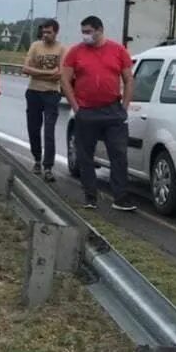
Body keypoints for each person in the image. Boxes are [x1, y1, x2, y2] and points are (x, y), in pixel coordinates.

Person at [61, 15, 136, 212]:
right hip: (87, 111)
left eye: (88, 32)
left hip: (112, 110)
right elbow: (65, 79)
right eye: (83, 32)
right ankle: (90, 197)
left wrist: (124, 107)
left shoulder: (118, 50)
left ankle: (120, 197)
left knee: (119, 154)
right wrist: (76, 107)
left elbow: (128, 79)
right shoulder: (75, 52)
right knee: (85, 156)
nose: (85, 36)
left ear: (100, 30)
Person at [22, 19, 66, 180]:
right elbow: (25, 69)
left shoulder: (61, 49)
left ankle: (48, 166)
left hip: (51, 94)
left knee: (49, 131)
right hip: (33, 92)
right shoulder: (35, 46)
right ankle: (37, 159)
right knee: (33, 128)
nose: (45, 35)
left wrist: (37, 72)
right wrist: (48, 73)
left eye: (49, 32)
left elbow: (60, 73)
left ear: (56, 32)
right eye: (44, 32)